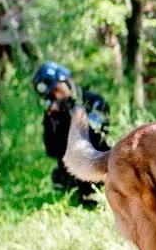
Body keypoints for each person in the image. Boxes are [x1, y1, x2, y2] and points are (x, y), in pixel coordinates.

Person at [32, 61, 110, 206]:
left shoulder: (94, 101)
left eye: (57, 89)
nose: (56, 96)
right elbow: (51, 150)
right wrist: (52, 121)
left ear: (65, 81)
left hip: (96, 168)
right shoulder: (54, 114)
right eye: (52, 94)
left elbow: (97, 135)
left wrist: (75, 110)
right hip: (71, 177)